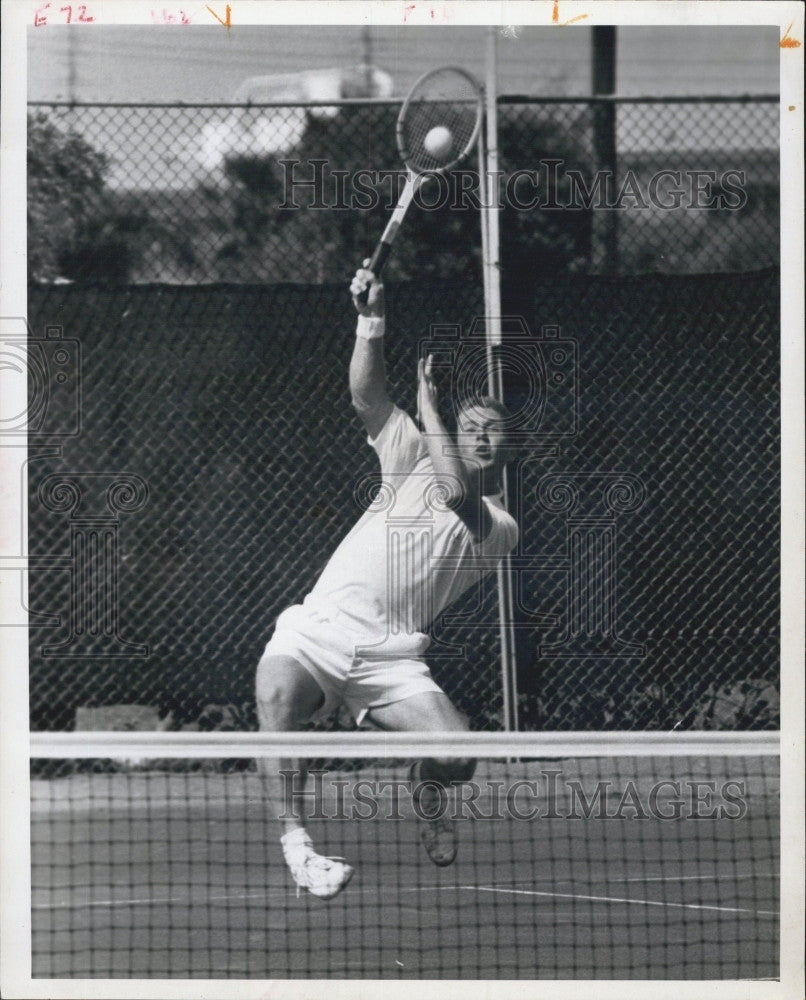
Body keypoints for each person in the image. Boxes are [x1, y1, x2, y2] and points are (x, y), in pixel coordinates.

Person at [256, 261, 519, 899]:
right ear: (456, 434)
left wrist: (430, 402)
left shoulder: (500, 525)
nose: (482, 438)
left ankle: (427, 783)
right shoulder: (407, 456)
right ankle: (299, 846)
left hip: (391, 657)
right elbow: (366, 396)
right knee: (274, 695)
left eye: (495, 434)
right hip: (322, 628)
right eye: (473, 429)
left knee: (459, 754)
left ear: (508, 451)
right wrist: (371, 320)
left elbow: (456, 489)